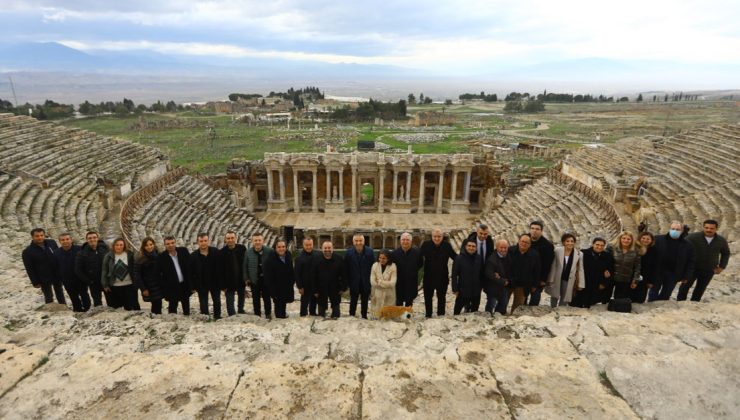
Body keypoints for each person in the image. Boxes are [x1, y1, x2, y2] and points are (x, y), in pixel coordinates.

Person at [678, 219, 731, 302]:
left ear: (716, 229)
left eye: (711, 228)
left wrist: (721, 267)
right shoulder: (693, 237)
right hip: (692, 268)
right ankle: (680, 303)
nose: (708, 230)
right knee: (685, 286)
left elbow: (726, 253)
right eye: (706, 228)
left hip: (709, 270)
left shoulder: (721, 240)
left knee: (700, 289)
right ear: (703, 227)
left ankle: (695, 304)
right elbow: (682, 248)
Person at [649, 221, 695, 301]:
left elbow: (690, 261)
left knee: (666, 294)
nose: (675, 231)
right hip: (657, 271)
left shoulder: (687, 245)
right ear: (669, 229)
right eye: (673, 229)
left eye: (677, 229)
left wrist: (687, 276)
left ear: (682, 231)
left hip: (674, 273)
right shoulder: (658, 239)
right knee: (653, 292)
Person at [22, 228, 65, 304]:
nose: (40, 237)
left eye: (42, 235)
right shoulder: (27, 252)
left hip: (56, 274)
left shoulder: (51, 243)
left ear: (44, 235)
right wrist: (35, 282)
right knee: (48, 296)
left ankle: (63, 307)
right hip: (43, 277)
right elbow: (29, 268)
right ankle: (51, 310)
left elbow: (58, 256)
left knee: (60, 292)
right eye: (37, 236)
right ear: (32, 237)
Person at [420, 228, 457, 318]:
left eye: (439, 236)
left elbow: (455, 257)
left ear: (442, 237)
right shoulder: (426, 245)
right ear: (432, 236)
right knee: (428, 298)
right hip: (428, 276)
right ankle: (428, 315)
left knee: (441, 298)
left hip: (442, 276)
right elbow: (418, 258)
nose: (437, 238)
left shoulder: (447, 246)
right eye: (435, 236)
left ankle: (441, 315)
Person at [546, 233, 586, 307]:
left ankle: (561, 311)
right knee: (554, 295)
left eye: (572, 241)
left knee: (565, 297)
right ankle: (552, 309)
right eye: (567, 241)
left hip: (569, 278)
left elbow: (581, 269)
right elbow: (553, 265)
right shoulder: (557, 250)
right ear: (563, 242)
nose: (570, 243)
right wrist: (550, 279)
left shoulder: (579, 254)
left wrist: (581, 284)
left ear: (574, 242)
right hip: (556, 278)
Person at [189, 233, 221, 319]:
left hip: (215, 282)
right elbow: (190, 273)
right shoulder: (193, 256)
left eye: (205, 241)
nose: (203, 243)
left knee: (217, 301)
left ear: (208, 241)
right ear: (198, 242)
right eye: (201, 241)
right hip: (201, 283)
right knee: (203, 302)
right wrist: (192, 286)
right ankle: (205, 317)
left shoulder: (216, 252)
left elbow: (221, 268)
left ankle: (217, 317)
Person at [574, 237, 614, 308]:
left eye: (602, 245)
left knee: (593, 303)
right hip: (584, 282)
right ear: (593, 244)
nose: (599, 247)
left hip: (597, 284)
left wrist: (604, 283)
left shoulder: (607, 256)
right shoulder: (584, 253)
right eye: (597, 244)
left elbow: (610, 271)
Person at [54, 233, 90, 311]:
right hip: (67, 279)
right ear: (59, 241)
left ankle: (88, 309)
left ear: (71, 240)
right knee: (73, 296)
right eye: (63, 240)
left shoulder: (80, 249)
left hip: (80, 278)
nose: (65, 241)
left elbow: (86, 263)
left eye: (67, 239)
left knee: (84, 294)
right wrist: (60, 278)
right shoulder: (56, 253)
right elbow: (56, 266)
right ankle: (78, 310)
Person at [101, 238, 138, 310]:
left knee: (131, 308)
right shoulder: (108, 256)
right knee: (117, 309)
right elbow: (104, 270)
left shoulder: (130, 254)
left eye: (121, 245)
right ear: (113, 245)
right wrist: (104, 284)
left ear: (124, 246)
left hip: (129, 285)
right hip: (115, 286)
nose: (119, 247)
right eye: (117, 245)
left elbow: (135, 269)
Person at [158, 236, 192, 315]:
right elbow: (158, 274)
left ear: (175, 243)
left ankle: (187, 319)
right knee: (172, 307)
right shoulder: (161, 257)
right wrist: (164, 286)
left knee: (186, 305)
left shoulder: (183, 251)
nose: (170, 245)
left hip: (184, 284)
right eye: (168, 244)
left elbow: (190, 267)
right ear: (165, 245)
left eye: (172, 243)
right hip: (171, 287)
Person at [507, 233, 540, 314]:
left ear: (530, 244)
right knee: (502, 303)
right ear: (518, 241)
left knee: (517, 308)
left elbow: (537, 270)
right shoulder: (510, 250)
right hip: (508, 283)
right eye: (522, 241)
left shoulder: (534, 255)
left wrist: (534, 285)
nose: (524, 244)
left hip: (523, 285)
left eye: (526, 243)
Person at [75, 231, 110, 307]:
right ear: (87, 240)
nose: (92, 239)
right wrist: (89, 281)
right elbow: (78, 270)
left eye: (94, 237)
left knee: (111, 301)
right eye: (90, 238)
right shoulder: (82, 253)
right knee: (97, 303)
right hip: (93, 283)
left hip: (106, 281)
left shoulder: (105, 249)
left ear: (97, 238)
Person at [344, 233, 374, 319]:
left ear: (364, 241)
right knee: (353, 300)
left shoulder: (370, 251)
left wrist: (371, 281)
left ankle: (364, 315)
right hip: (354, 281)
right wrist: (347, 283)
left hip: (366, 281)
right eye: (356, 241)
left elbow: (373, 267)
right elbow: (346, 269)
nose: (358, 243)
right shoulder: (349, 252)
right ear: (353, 242)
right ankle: (352, 315)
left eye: (360, 240)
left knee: (365, 300)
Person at [263, 239, 295, 318]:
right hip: (276, 287)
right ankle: (279, 318)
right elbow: (268, 278)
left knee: (284, 303)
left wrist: (292, 281)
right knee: (278, 305)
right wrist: (273, 291)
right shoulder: (269, 260)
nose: (281, 249)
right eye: (279, 247)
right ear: (275, 248)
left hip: (286, 286)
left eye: (283, 246)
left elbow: (291, 269)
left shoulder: (288, 255)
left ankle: (283, 315)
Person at [243, 232, 272, 318]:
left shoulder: (269, 251)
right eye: (255, 240)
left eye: (259, 240)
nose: (257, 242)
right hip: (254, 279)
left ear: (263, 241)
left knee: (267, 298)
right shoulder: (248, 252)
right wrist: (246, 278)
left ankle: (268, 314)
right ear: (252, 241)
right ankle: (257, 314)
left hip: (266, 280)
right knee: (255, 299)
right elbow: (245, 266)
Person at [313, 241, 344, 318]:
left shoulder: (339, 258)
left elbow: (344, 274)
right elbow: (313, 276)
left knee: (336, 312)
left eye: (329, 248)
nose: (327, 250)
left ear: (332, 248)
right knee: (321, 312)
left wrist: (343, 288)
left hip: (335, 287)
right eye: (325, 248)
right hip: (321, 288)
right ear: (322, 249)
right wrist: (315, 290)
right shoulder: (316, 259)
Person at [133, 237, 164, 315]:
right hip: (148, 286)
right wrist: (143, 289)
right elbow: (137, 275)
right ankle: (155, 319)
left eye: (151, 244)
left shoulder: (159, 256)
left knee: (158, 303)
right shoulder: (140, 259)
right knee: (155, 304)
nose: (149, 247)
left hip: (159, 284)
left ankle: (157, 319)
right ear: (143, 247)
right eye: (147, 245)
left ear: (154, 244)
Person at [452, 239, 483, 314]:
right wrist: (455, 289)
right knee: (457, 312)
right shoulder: (459, 258)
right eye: (469, 246)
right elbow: (454, 275)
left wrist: (481, 287)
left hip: (476, 291)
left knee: (474, 312)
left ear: (476, 248)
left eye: (473, 246)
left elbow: (481, 274)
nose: (471, 248)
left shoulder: (479, 258)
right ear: (465, 246)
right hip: (463, 291)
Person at [527, 221, 555, 306]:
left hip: (538, 277)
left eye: (537, 229)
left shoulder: (548, 245)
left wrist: (543, 279)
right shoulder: (524, 239)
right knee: (521, 299)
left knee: (535, 299)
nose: (534, 231)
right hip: (524, 275)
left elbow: (548, 265)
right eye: (532, 228)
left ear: (541, 231)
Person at [220, 231, 247, 316]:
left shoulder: (242, 248)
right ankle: (232, 315)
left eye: (232, 238)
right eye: (228, 238)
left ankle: (241, 310)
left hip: (240, 279)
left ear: (236, 238)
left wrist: (246, 278)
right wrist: (222, 285)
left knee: (241, 296)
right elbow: (220, 271)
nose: (230, 240)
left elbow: (246, 264)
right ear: (225, 240)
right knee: (230, 300)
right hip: (228, 281)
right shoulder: (222, 252)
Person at [391, 232, 423, 307]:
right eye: (403, 240)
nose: (405, 242)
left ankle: (408, 316)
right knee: (398, 300)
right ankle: (399, 316)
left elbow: (420, 264)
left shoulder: (417, 252)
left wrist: (411, 271)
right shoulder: (394, 253)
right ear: (400, 241)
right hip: (399, 281)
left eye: (407, 240)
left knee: (409, 301)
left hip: (411, 281)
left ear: (411, 241)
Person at [609, 231, 641, 300]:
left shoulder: (636, 251)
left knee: (620, 300)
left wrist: (635, 280)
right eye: (623, 238)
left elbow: (637, 267)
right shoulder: (612, 248)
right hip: (611, 277)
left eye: (628, 239)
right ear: (620, 239)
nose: (626, 240)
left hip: (625, 280)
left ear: (632, 240)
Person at [483, 239, 511, 315]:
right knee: (491, 305)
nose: (503, 249)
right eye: (501, 247)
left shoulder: (508, 256)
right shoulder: (492, 259)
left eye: (505, 247)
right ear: (497, 247)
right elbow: (489, 274)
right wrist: (502, 281)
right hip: (493, 288)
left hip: (504, 287)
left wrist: (507, 281)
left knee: (503, 305)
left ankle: (498, 318)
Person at [295, 237, 320, 316]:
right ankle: (303, 314)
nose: (309, 247)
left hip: (315, 284)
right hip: (304, 285)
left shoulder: (317, 254)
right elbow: (297, 274)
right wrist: (300, 286)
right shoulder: (299, 258)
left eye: (310, 245)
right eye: (306, 245)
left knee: (314, 301)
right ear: (303, 245)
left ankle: (313, 314)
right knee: (304, 302)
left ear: (313, 244)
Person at [370, 250, 397, 317]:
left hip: (389, 294)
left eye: (384, 258)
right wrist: (385, 284)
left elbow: (393, 283)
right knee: (377, 315)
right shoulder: (374, 265)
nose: (381, 260)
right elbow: (372, 282)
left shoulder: (393, 266)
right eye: (380, 258)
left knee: (388, 315)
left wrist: (380, 282)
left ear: (388, 258)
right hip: (376, 293)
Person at [632, 232, 657, 304]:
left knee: (640, 298)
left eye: (648, 239)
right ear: (639, 238)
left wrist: (651, 281)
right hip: (633, 276)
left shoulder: (653, 251)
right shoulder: (634, 248)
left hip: (645, 277)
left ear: (651, 240)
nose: (645, 240)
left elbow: (654, 267)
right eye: (643, 238)